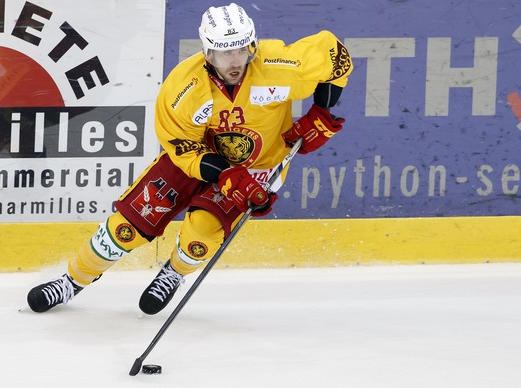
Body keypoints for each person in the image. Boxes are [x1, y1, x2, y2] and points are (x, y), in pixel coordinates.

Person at [27, 3, 353, 315]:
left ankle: (174, 272)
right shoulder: (185, 87)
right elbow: (179, 144)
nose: (235, 60)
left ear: (252, 45)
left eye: (242, 49)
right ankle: (73, 280)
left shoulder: (280, 66)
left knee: (202, 232)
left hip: (258, 166)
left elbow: (334, 53)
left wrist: (320, 112)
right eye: (225, 52)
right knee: (128, 226)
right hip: (195, 158)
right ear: (208, 52)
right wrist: (223, 172)